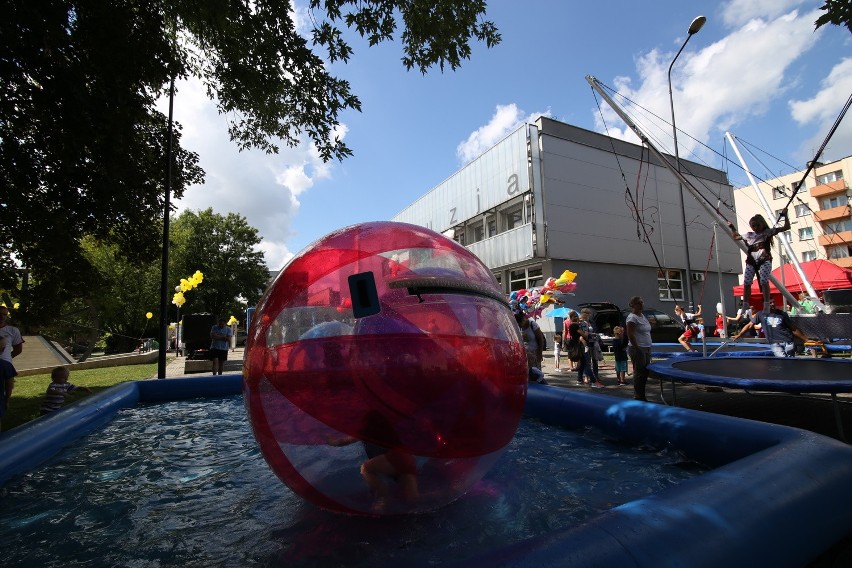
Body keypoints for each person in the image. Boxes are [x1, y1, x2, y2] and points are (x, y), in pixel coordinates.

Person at [728, 210, 790, 312]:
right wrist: (732, 228)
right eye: (753, 226)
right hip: (752, 261)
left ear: (762, 224)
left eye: (757, 225)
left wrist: (785, 216)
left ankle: (766, 303)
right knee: (747, 282)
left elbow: (787, 227)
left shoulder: (767, 232)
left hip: (764, 260)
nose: (755, 228)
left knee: (764, 280)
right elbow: (735, 237)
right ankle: (745, 304)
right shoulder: (749, 235)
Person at [734, 301, 810, 357]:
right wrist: (740, 334)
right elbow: (749, 325)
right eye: (770, 303)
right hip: (775, 342)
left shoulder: (782, 314)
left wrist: (805, 339)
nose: (773, 304)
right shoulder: (760, 314)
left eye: (773, 302)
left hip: (788, 341)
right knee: (783, 359)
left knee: (790, 360)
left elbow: (793, 328)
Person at [0, 305, 24, 430]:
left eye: (5, 314)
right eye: (0, 313)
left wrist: (7, 359)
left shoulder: (13, 330)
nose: (2, 316)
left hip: (5, 364)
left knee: (7, 386)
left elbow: (18, 349)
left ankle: (5, 402)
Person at [626, 296, 652, 402]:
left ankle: (642, 393)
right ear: (633, 305)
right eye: (639, 303)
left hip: (647, 347)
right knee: (639, 372)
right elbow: (630, 334)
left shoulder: (642, 316)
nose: (642, 304)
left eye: (642, 302)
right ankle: (638, 395)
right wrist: (637, 348)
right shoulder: (632, 318)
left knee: (645, 372)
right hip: (638, 348)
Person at [574, 308, 605, 388]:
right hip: (584, 344)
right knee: (587, 363)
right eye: (588, 314)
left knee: (585, 363)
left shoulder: (589, 322)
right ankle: (592, 381)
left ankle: (580, 379)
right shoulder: (582, 322)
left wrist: (592, 334)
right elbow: (584, 334)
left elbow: (587, 332)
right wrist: (590, 334)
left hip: (591, 343)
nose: (589, 315)